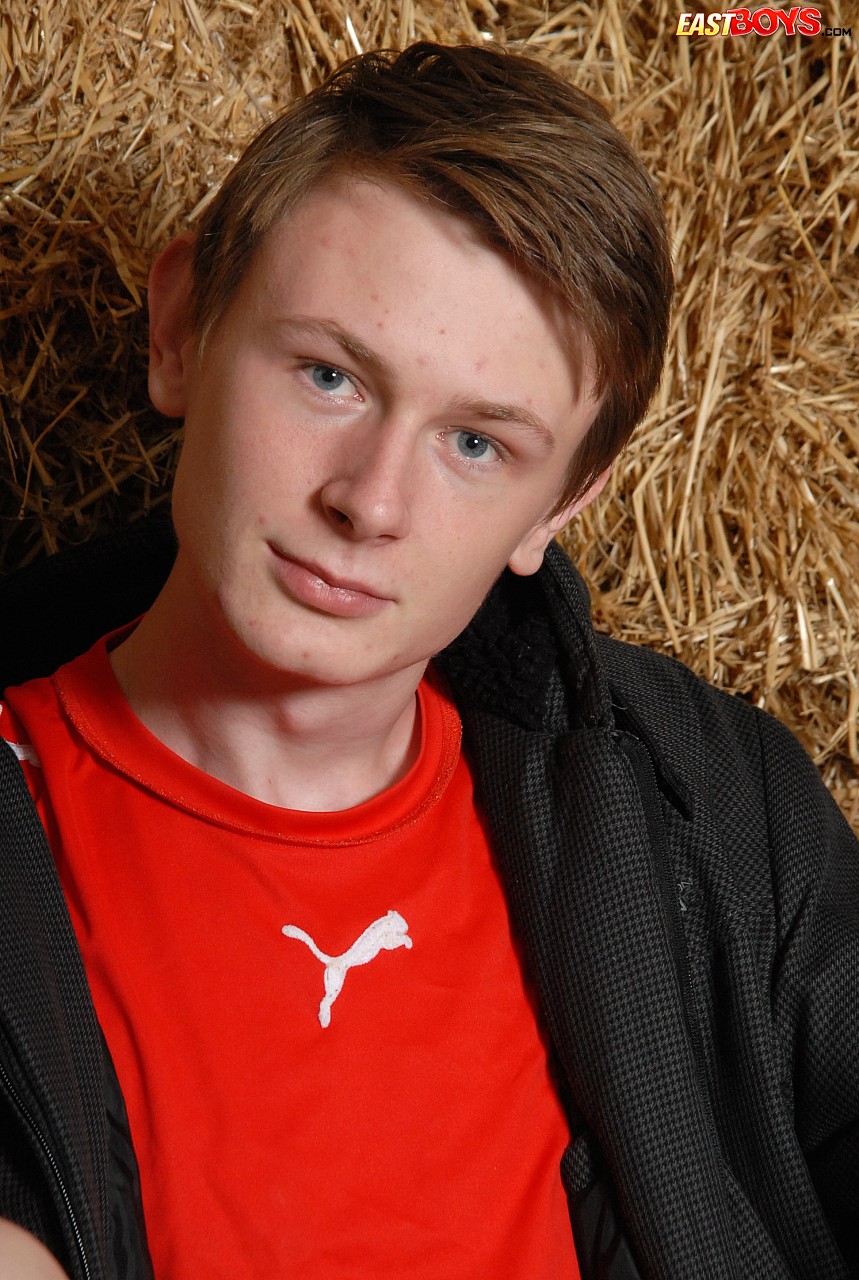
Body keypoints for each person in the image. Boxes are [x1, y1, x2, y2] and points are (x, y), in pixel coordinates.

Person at [0, 40, 856, 1280]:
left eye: (475, 443)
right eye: (330, 376)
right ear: (180, 327)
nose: (371, 501)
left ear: (560, 505)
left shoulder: (716, 801)